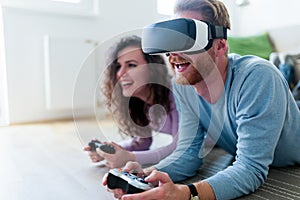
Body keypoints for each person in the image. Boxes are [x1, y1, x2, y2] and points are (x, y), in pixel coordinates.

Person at [103, 0, 300, 199]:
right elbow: (188, 155)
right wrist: (148, 174)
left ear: (220, 45)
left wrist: (187, 193)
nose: (173, 55)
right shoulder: (183, 87)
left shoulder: (257, 75)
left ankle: (287, 68)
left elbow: (250, 168)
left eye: (187, 41)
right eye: (172, 42)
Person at [84, 35, 178, 169]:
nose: (120, 73)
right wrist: (110, 151)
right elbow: (143, 142)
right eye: (118, 66)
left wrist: (131, 158)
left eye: (131, 65)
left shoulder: (176, 94)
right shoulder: (141, 103)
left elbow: (179, 149)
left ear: (153, 69)